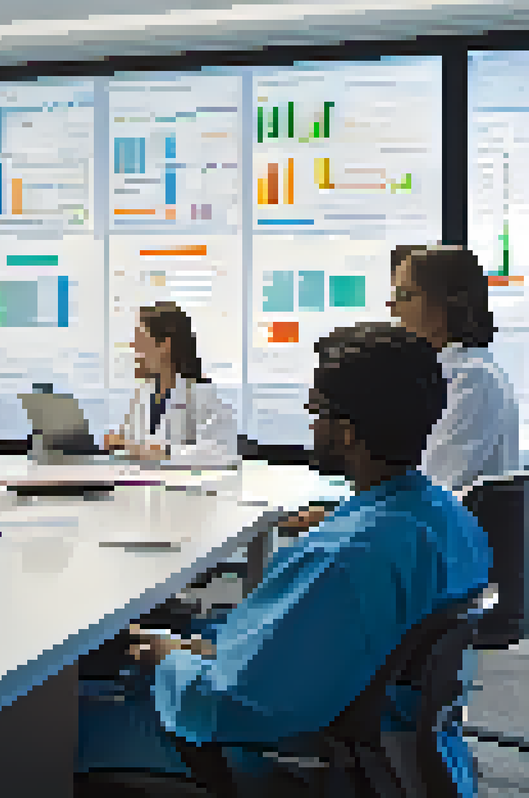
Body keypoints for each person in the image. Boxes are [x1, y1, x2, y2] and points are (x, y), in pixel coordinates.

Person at [76, 322, 491, 797]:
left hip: (282, 754)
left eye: (316, 411)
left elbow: (229, 703)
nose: (310, 422)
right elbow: (307, 646)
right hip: (398, 741)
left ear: (348, 433)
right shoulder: (443, 516)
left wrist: (167, 657)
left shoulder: (346, 557)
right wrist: (201, 643)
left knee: (61, 723)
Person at [282, 244, 520, 533]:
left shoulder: (472, 378)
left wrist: (337, 518)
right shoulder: (452, 370)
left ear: (447, 305)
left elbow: (429, 487)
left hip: (435, 545)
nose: (392, 308)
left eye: (405, 295)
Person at [103, 301, 239, 467]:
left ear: (164, 345)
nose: (133, 346)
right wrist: (119, 443)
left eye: (140, 339)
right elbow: (135, 446)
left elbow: (221, 451)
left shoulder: (202, 394)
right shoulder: (145, 394)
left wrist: (163, 452)